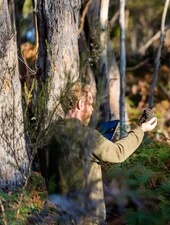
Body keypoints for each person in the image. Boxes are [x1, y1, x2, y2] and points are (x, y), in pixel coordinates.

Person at [39, 82, 157, 223]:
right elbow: (118, 153)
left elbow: (45, 172)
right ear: (80, 104)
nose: (92, 109)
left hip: (59, 216)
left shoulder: (47, 135)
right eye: (90, 104)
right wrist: (140, 130)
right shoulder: (87, 136)